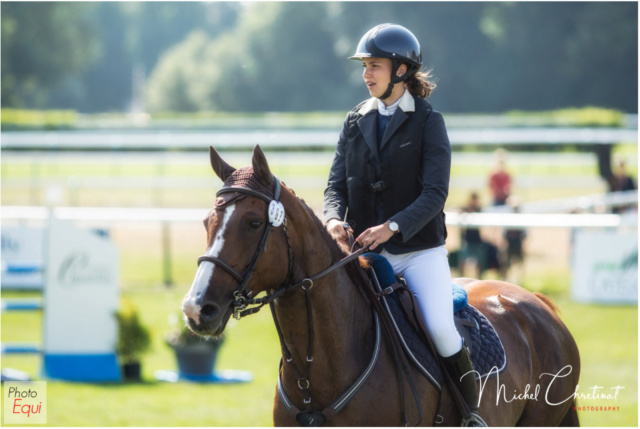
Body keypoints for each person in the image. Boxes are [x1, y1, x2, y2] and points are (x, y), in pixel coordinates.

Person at [323, 23, 485, 426]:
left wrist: (391, 227)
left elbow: (434, 195)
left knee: (441, 330)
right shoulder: (354, 120)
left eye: (374, 66)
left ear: (400, 71)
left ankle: (471, 414)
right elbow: (334, 186)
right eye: (365, 66)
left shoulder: (429, 121)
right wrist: (330, 219)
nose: (366, 74)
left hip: (418, 254)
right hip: (363, 255)